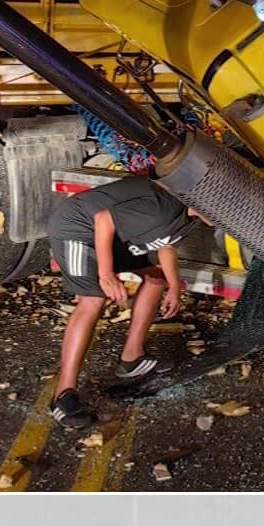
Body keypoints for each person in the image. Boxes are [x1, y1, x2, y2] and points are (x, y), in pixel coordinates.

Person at [44, 177, 201, 430]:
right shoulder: (163, 208)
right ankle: (63, 396)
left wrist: (174, 286)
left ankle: (132, 359)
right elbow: (103, 220)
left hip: (109, 235)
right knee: (93, 299)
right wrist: (106, 274)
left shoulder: (188, 215)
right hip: (75, 228)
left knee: (155, 278)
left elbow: (165, 245)